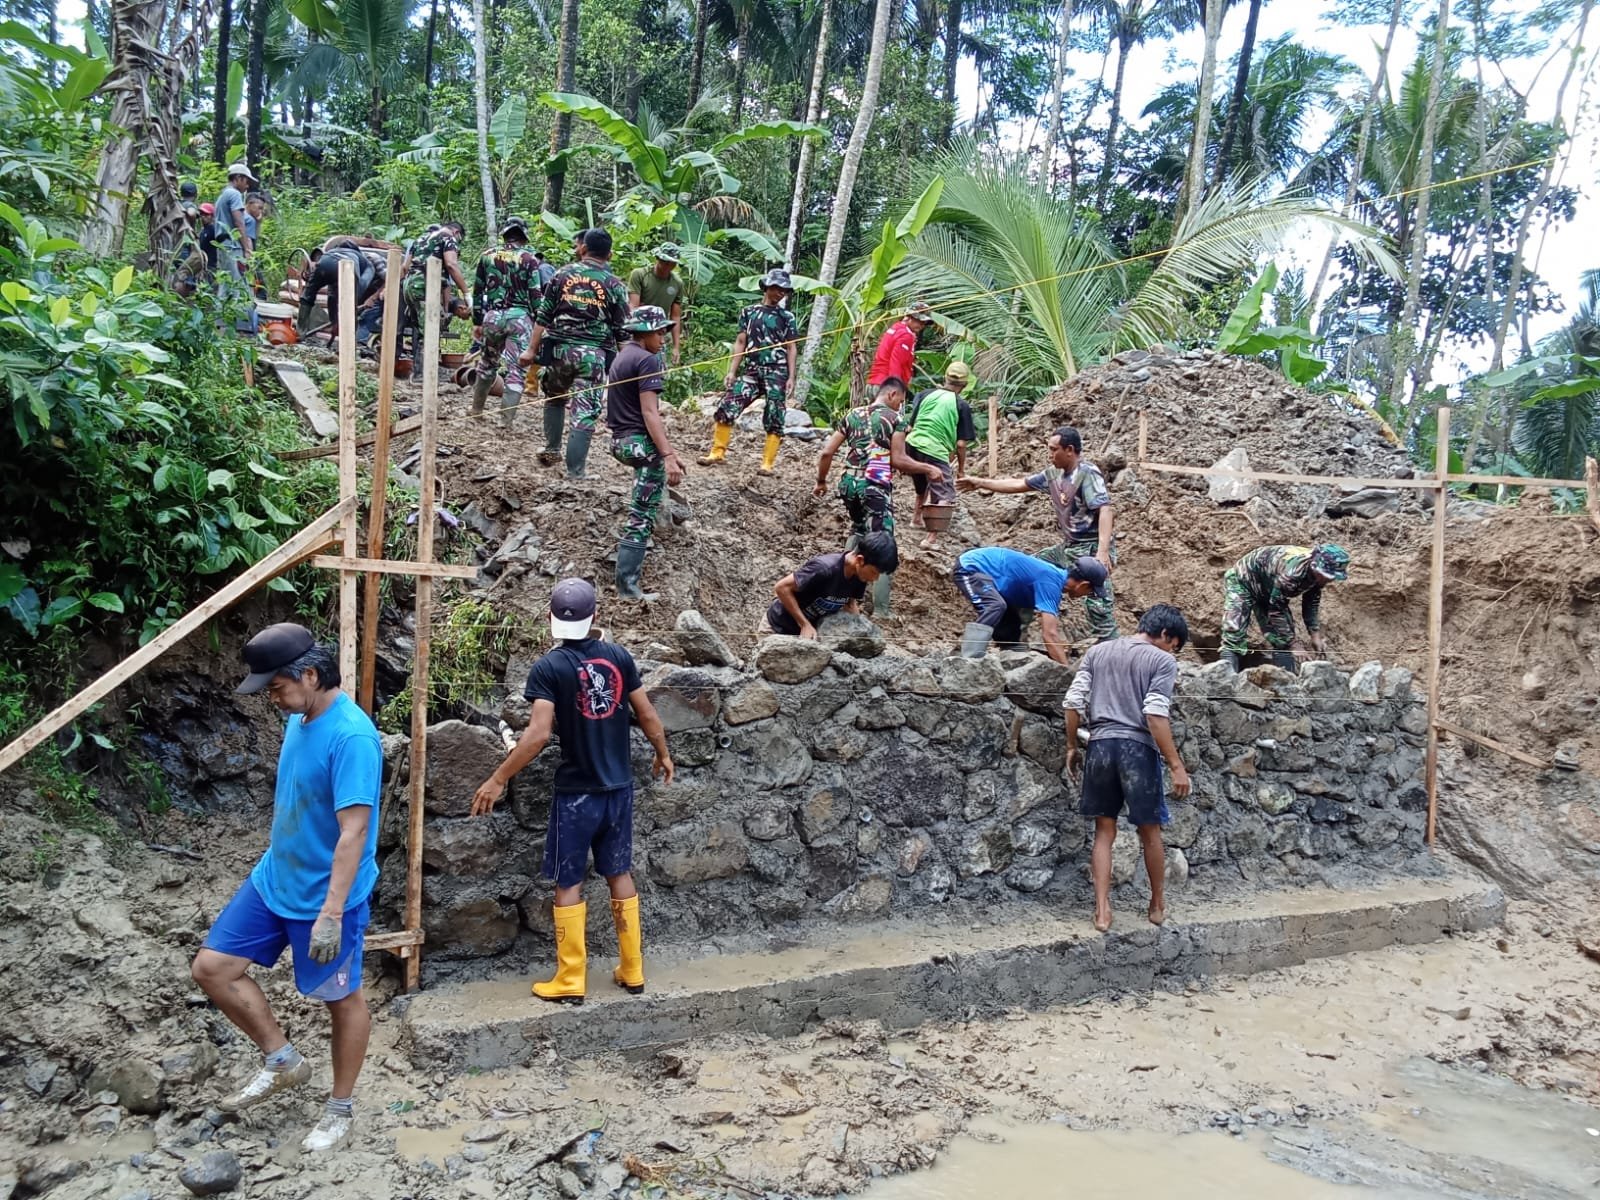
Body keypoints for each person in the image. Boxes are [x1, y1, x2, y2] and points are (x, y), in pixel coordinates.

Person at [190, 624, 381, 1154]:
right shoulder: (302, 716)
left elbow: (355, 831)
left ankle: (340, 1107)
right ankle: (282, 1060)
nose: (271, 698)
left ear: (311, 676)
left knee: (339, 999)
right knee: (212, 968)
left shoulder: (353, 737)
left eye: (275, 687)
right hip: (275, 878)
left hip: (324, 897)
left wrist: (332, 913)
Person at [469, 579, 674, 1004]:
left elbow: (537, 736)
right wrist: (663, 753)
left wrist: (497, 777)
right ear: (594, 616)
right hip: (618, 789)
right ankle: (632, 969)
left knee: (568, 879)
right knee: (619, 872)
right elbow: (648, 712)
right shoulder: (619, 657)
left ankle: (570, 977)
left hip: (577, 793)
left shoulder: (549, 667)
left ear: (551, 618)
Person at [1064, 604, 1192, 933]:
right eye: (1174, 644)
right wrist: (1176, 764)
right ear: (1165, 634)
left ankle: (1103, 911)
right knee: (1150, 831)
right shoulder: (1162, 661)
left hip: (1100, 746)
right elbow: (1154, 714)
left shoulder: (1098, 651)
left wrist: (1071, 746)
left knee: (1104, 832)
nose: (1172, 651)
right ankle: (1157, 904)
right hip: (1138, 749)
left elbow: (1073, 701)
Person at [958, 425, 1118, 643]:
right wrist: (980, 482)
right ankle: (1015, 640)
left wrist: (1102, 552)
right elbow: (1018, 484)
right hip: (1069, 546)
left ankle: (1111, 648)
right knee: (1028, 574)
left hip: (1090, 548)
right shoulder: (1053, 475)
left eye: (1054, 450)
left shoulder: (1087, 473)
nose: (1050, 455)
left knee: (1098, 604)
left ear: (1069, 450)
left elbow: (1106, 509)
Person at [814, 377, 938, 617]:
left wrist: (821, 481)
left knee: (859, 531)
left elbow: (827, 451)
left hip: (848, 482)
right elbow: (899, 460)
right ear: (892, 395)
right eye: (900, 401)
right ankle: (881, 610)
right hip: (875, 487)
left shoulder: (852, 415)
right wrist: (928, 469)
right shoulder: (895, 420)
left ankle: (842, 595)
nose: (899, 406)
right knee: (883, 543)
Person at [521, 227, 630, 478]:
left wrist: (530, 349)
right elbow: (622, 331)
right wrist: (626, 367)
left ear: (583, 248)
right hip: (593, 357)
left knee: (554, 398)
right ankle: (575, 472)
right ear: (610, 254)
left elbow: (543, 315)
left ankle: (551, 449)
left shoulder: (562, 274)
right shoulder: (614, 284)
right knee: (584, 413)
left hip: (560, 352)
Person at [606, 306, 686, 599]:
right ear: (644, 332)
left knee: (643, 503)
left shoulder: (623, 355)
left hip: (620, 442)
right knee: (640, 515)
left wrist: (671, 452)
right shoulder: (647, 360)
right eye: (659, 331)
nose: (664, 337)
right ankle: (627, 588)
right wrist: (666, 456)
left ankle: (627, 583)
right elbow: (650, 413)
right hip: (638, 443)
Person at [699, 269, 798, 475]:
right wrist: (732, 371)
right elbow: (741, 341)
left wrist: (791, 376)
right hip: (752, 369)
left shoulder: (787, 317)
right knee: (729, 404)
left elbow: (791, 347)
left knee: (775, 414)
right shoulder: (749, 312)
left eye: (784, 290)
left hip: (777, 371)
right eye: (777, 288)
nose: (780, 293)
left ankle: (767, 463)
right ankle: (717, 452)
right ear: (767, 287)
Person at [953, 545, 1109, 664]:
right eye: (1091, 591)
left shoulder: (1054, 579)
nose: (1088, 595)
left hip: (994, 580)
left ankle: (1011, 659)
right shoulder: (1051, 582)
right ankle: (968, 661)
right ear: (1083, 585)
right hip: (971, 567)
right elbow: (1050, 635)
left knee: (1010, 623)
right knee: (995, 606)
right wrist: (1066, 673)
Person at [1220, 544, 1349, 674]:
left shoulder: (1317, 575)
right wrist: (1294, 644)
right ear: (1315, 566)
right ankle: (1225, 683)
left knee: (1281, 638)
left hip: (1269, 587)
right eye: (1327, 576)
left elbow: (1311, 603)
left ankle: (1286, 686)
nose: (1329, 580)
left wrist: (1315, 635)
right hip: (1242, 580)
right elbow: (1276, 610)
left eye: (1332, 577)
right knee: (1234, 631)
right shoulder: (1292, 574)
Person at [471, 217, 545, 429]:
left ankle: (476, 410)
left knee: (487, 363)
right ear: (523, 236)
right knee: (516, 370)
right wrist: (539, 323)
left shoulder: (487, 256)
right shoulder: (529, 259)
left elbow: (477, 291)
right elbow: (535, 296)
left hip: (492, 317)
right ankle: (505, 422)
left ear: (505, 234)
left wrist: (477, 321)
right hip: (519, 319)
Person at [762, 533, 900, 637]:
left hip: (808, 633)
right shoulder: (825, 569)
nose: (875, 578)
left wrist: (861, 629)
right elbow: (781, 588)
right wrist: (804, 624)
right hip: (777, 627)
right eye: (874, 572)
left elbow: (850, 604)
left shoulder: (859, 576)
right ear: (860, 560)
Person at [903, 360, 976, 551]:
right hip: (935, 450)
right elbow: (961, 444)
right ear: (965, 384)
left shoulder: (924, 395)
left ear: (945, 378)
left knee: (922, 484)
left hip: (912, 445)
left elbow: (911, 425)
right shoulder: (961, 405)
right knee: (944, 493)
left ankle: (916, 519)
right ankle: (931, 538)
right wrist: (960, 470)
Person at [399, 221, 471, 356]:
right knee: (429, 332)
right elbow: (451, 265)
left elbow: (404, 267)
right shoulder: (449, 239)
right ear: (456, 233)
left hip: (409, 286)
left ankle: (420, 370)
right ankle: (423, 373)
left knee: (421, 329)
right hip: (425, 288)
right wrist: (466, 293)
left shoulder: (420, 239)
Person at [298, 243, 384, 338]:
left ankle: (300, 333)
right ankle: (349, 343)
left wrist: (334, 321)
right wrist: (354, 304)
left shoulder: (333, 252)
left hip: (324, 262)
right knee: (351, 304)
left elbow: (332, 296)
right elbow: (361, 286)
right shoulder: (368, 263)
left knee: (307, 296)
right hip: (348, 267)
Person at [213, 163, 259, 334]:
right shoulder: (234, 195)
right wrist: (246, 247)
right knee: (238, 285)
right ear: (238, 178)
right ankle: (240, 328)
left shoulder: (223, 195)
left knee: (225, 285)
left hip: (223, 244)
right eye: (246, 181)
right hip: (232, 246)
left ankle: (221, 325)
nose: (247, 185)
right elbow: (239, 222)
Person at [627, 243, 685, 365]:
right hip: (640, 331)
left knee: (657, 371)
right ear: (658, 258)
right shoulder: (640, 275)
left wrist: (676, 347)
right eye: (665, 262)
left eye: (672, 263)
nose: (668, 266)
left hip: (659, 333)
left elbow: (675, 316)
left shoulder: (677, 283)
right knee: (635, 367)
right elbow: (633, 307)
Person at [867, 301, 932, 389]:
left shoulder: (896, 328)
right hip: (886, 385)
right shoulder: (906, 335)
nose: (922, 325)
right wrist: (896, 387)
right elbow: (896, 362)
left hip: (875, 381)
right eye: (919, 321)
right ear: (909, 317)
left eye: (924, 323)